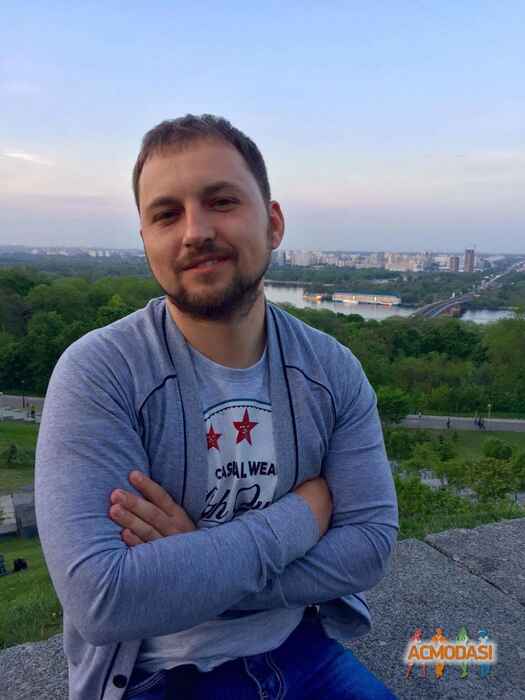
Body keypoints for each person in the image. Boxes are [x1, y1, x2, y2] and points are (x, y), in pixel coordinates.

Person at [35, 115, 399, 700]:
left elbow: (370, 548)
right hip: (158, 677)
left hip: (302, 649)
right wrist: (304, 516)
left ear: (273, 223)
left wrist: (196, 560)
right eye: (166, 214)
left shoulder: (331, 371)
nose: (195, 232)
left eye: (221, 202)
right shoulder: (101, 372)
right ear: (146, 240)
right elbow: (104, 599)